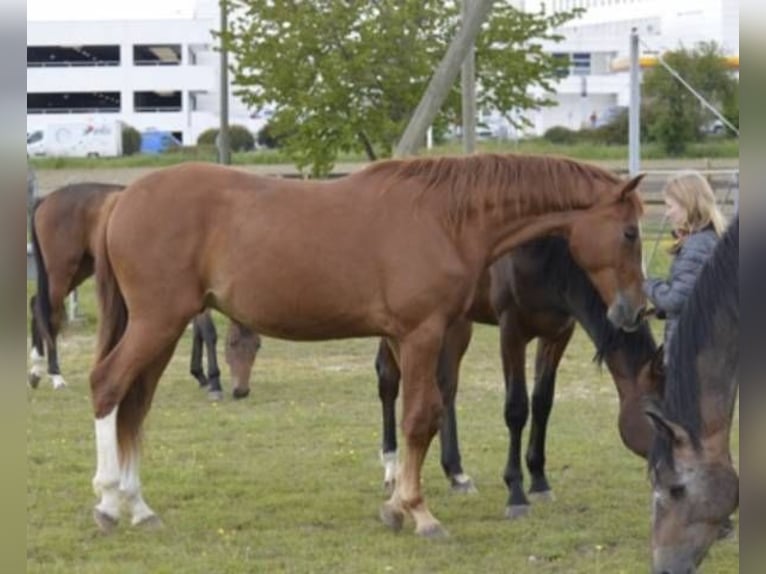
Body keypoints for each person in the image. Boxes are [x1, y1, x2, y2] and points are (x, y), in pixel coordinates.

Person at [644, 170, 727, 357]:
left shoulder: (697, 246)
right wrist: (661, 311)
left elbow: (675, 300)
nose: (667, 213)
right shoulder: (710, 240)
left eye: (670, 206)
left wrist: (647, 283)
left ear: (687, 204)